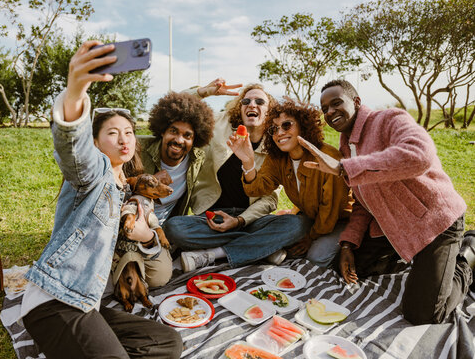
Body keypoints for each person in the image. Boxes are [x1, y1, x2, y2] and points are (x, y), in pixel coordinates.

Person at [21, 40, 182, 359]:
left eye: (129, 132)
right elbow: (72, 150)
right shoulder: (93, 175)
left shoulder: (129, 189)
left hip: (87, 302)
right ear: (95, 142)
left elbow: (151, 243)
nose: (123, 139)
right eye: (112, 133)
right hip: (55, 300)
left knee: (169, 344)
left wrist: (147, 233)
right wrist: (76, 91)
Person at [299, 78, 472, 325]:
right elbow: (362, 202)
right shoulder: (347, 148)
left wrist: (343, 169)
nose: (330, 112)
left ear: (356, 102)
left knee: (424, 313)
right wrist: (348, 244)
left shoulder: (389, 119)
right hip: (395, 229)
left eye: (336, 103)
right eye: (324, 108)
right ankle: (416, 263)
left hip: (436, 224)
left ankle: (467, 254)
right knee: (350, 268)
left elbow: (419, 155)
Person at [163, 79, 311, 272]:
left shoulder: (275, 147)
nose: (252, 105)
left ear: (269, 112)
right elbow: (175, 108)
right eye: (246, 101)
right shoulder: (218, 123)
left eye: (259, 102)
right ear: (239, 108)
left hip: (250, 220)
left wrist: (240, 221)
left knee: (298, 224)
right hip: (212, 218)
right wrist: (204, 91)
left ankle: (214, 253)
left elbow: (269, 199)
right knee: (174, 228)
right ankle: (261, 247)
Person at [227, 97, 352, 268]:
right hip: (307, 218)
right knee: (290, 234)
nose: (279, 133)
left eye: (287, 125)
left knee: (315, 258)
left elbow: (330, 211)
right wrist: (248, 161)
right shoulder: (278, 158)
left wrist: (310, 237)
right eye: (274, 128)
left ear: (303, 126)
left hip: (339, 220)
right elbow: (256, 189)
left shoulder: (327, 157)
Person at [138, 91, 215, 224]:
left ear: (195, 140)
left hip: (167, 229)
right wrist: (150, 181)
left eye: (187, 136)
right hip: (133, 221)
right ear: (162, 131)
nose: (179, 140)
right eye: (173, 131)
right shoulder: (138, 148)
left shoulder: (197, 160)